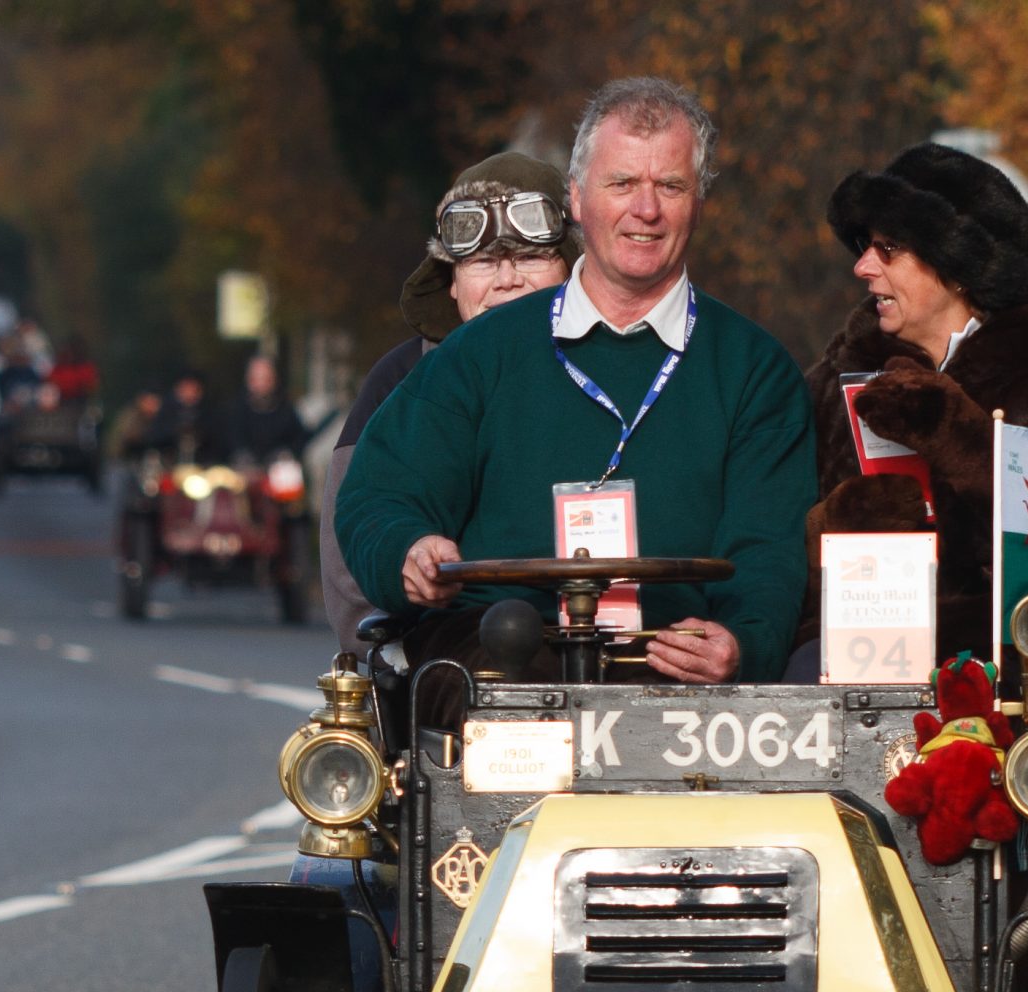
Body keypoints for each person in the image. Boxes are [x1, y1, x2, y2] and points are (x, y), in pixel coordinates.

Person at [335, 76, 814, 696]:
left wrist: (744, 641)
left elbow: (767, 551)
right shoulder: (479, 353)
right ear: (579, 198)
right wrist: (408, 550)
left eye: (670, 185)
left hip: (678, 672)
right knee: (500, 657)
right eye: (622, 184)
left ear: (699, 202)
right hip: (497, 658)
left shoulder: (756, 370)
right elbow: (378, 495)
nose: (646, 210)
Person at [799, 142, 1028, 668]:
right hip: (843, 664)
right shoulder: (833, 380)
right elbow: (773, 547)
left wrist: (960, 439)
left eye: (888, 248)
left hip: (1015, 672)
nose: (863, 267)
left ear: (958, 265)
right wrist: (833, 527)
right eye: (865, 246)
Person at [317, 149, 578, 648]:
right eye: (482, 262)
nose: (507, 279)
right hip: (448, 657)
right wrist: (403, 659)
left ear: (573, 268)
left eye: (530, 256)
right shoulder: (401, 380)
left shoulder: (624, 366)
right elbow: (349, 564)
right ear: (452, 283)